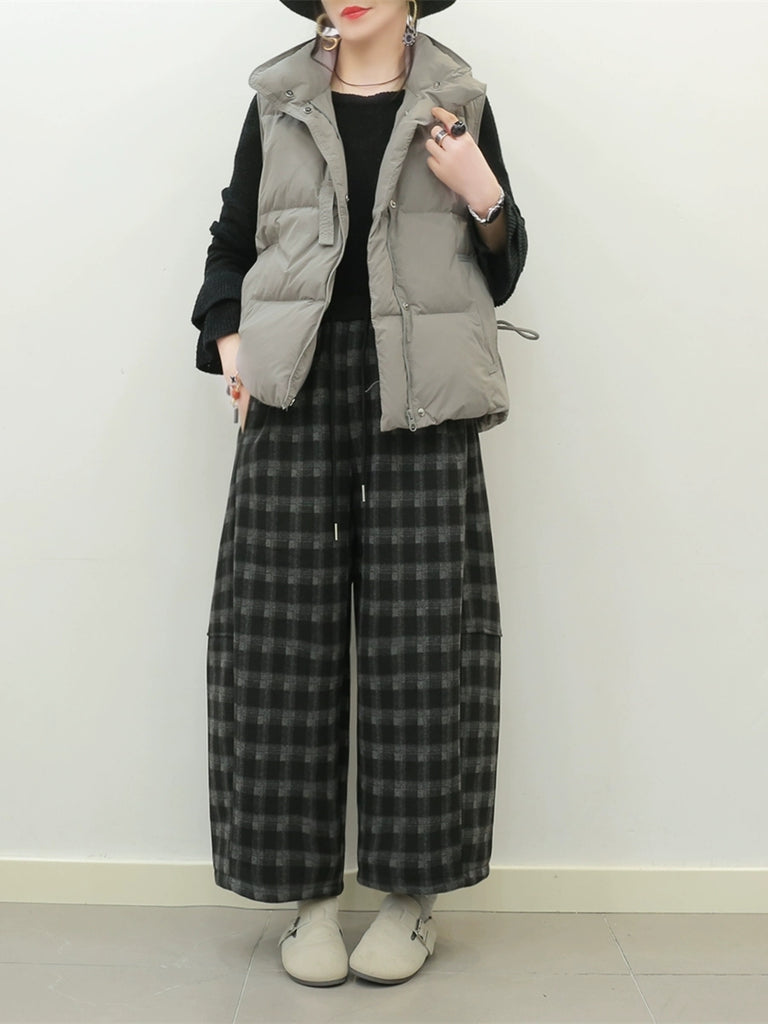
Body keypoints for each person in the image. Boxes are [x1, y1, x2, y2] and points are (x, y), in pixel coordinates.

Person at [191, 0, 530, 988]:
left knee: (424, 643)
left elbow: (505, 268)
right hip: (295, 386)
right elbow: (229, 246)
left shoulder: (458, 102)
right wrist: (231, 341)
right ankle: (305, 897)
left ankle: (412, 897)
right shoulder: (277, 104)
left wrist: (483, 194)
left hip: (424, 388)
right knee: (278, 639)